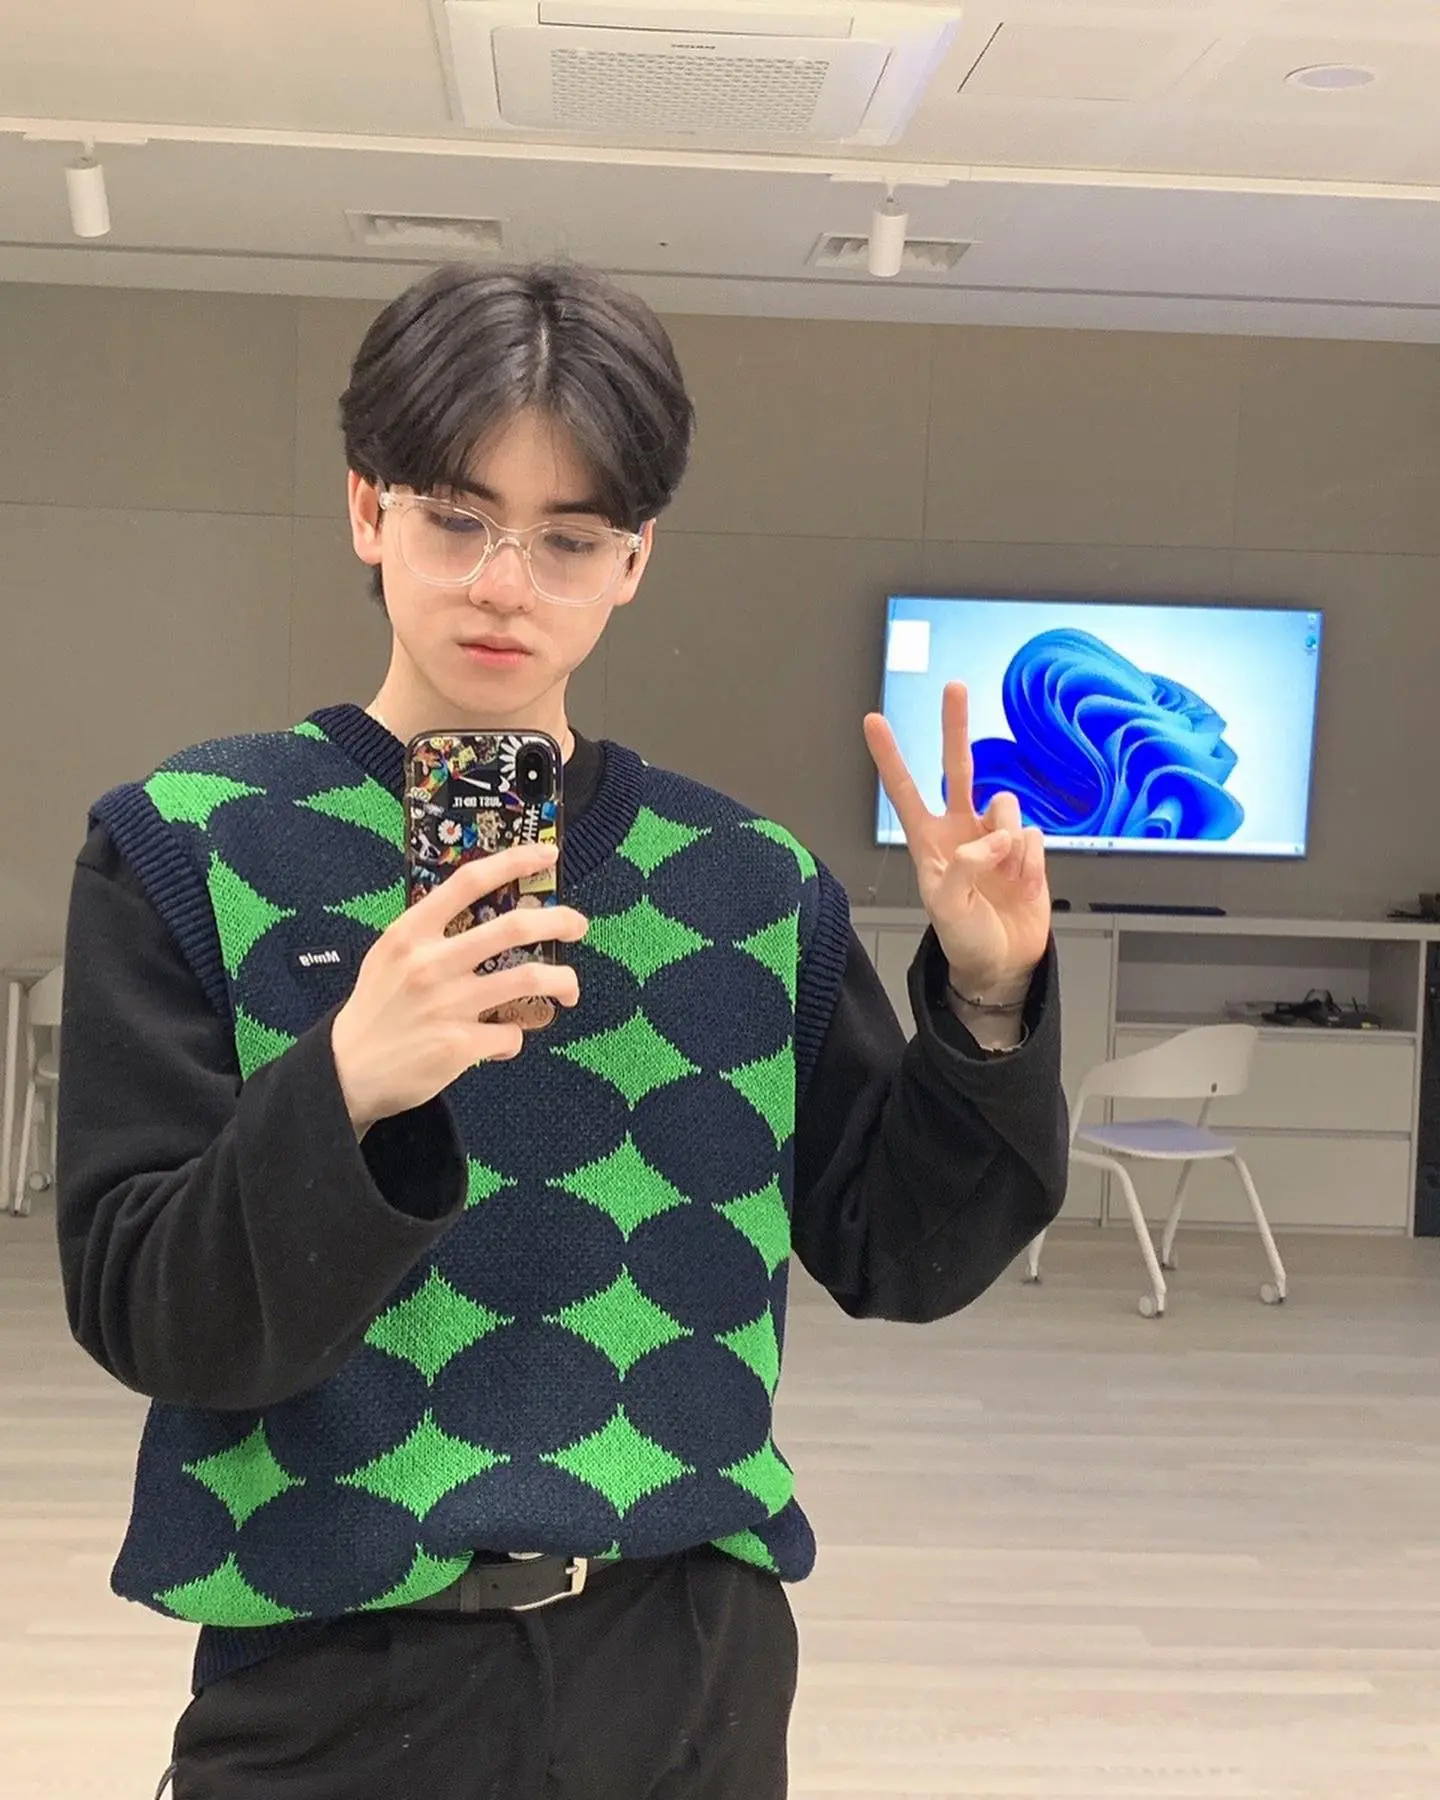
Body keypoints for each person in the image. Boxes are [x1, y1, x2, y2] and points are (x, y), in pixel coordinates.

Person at [55, 262, 1067, 1800]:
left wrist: (986, 999)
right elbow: (152, 1314)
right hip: (326, 1678)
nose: (504, 584)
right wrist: (346, 1084)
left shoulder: (746, 884)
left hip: (685, 1672)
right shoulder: (193, 847)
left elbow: (902, 1255)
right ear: (366, 510)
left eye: (569, 538)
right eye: (457, 519)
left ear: (635, 558)